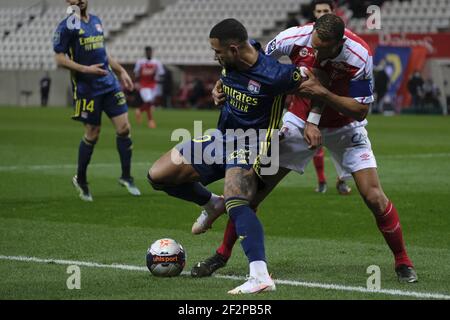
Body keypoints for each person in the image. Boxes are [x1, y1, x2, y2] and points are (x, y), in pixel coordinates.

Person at [192, 14, 418, 284]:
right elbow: (252, 60)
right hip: (298, 123)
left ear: (339, 42)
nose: (317, 54)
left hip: (344, 127)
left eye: (323, 49)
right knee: (250, 192)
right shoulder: (292, 38)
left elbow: (360, 111)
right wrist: (223, 84)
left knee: (374, 197)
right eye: (314, 46)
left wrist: (323, 95)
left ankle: (403, 261)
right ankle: (221, 254)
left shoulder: (359, 55)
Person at [148, 18, 305, 294]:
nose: (215, 56)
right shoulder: (231, 62)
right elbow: (225, 81)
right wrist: (217, 90)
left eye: (218, 51)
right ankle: (210, 204)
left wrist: (313, 120)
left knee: (237, 199)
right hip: (221, 137)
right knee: (158, 176)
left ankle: (260, 276)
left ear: (233, 49)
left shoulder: (277, 74)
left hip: (253, 143)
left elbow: (311, 82)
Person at [54, 0, 141, 201]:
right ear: (69, 2)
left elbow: (102, 53)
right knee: (93, 133)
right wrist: (86, 69)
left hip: (109, 84)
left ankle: (126, 177)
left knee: (124, 128)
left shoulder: (96, 21)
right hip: (87, 89)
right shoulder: (67, 25)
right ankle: (81, 179)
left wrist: (120, 71)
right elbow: (59, 58)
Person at [134, 46, 165, 128]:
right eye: (147, 52)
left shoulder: (157, 63)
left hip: (154, 85)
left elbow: (161, 73)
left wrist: (158, 80)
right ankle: (150, 121)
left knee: (150, 104)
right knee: (148, 101)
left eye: (150, 51)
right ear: (145, 52)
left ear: (152, 52)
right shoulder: (140, 62)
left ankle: (139, 110)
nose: (149, 53)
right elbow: (136, 74)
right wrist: (136, 83)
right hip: (143, 86)